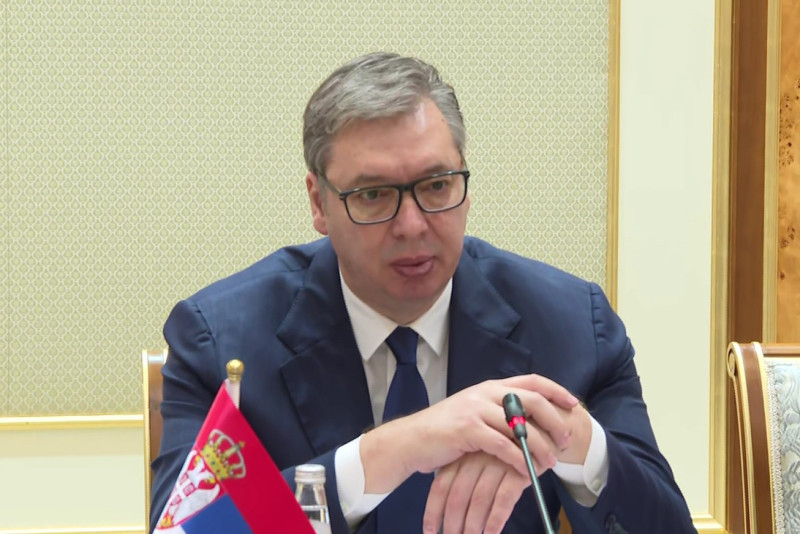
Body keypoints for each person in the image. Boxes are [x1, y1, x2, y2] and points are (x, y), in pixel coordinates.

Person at [150, 52, 696, 534]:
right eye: (373, 195)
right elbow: (192, 530)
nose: (412, 225)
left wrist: (576, 443)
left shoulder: (573, 326)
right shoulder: (220, 340)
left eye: (436, 186)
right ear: (318, 202)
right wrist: (394, 450)